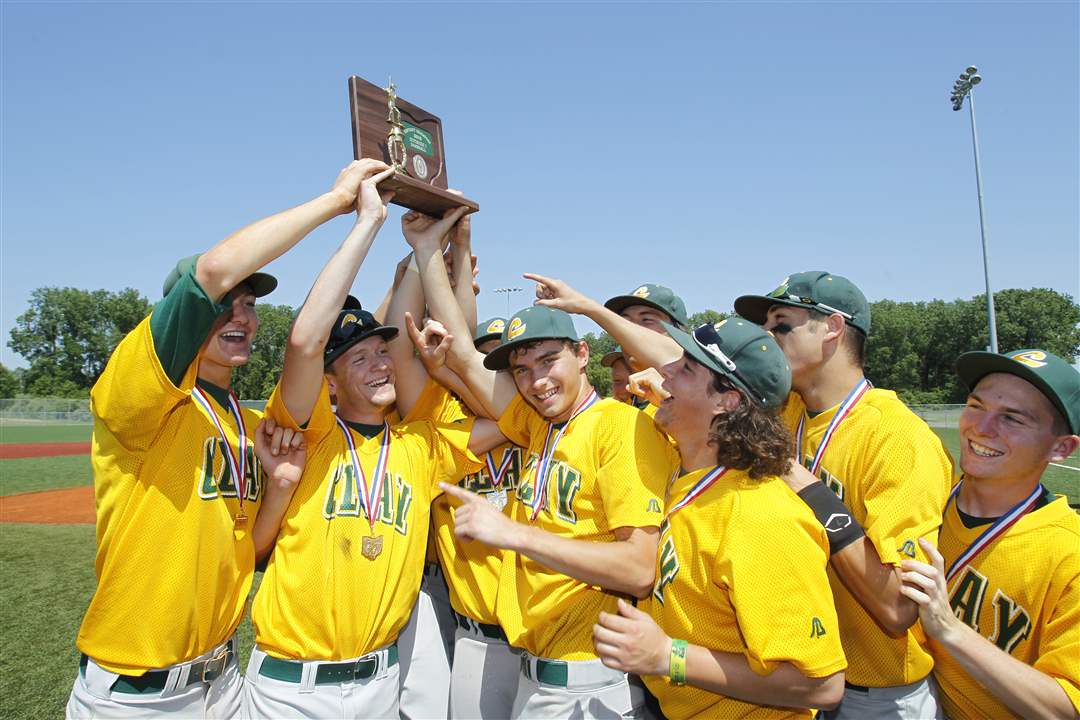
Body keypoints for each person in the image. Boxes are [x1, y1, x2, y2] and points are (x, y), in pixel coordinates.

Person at [65, 161, 375, 719]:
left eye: (250, 305)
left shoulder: (247, 424)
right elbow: (213, 268)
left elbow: (248, 554)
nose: (242, 316)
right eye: (225, 304)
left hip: (223, 681)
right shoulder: (139, 395)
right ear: (182, 316)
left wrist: (278, 491)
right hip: (139, 694)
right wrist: (334, 203)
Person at [241, 187, 496, 718]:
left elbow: (503, 417)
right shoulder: (309, 436)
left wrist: (426, 269)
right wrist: (368, 221)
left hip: (379, 683)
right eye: (357, 359)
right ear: (328, 383)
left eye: (381, 352)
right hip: (292, 689)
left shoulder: (420, 445)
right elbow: (305, 342)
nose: (380, 364)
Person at [405, 231, 673, 719]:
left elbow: (639, 567)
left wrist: (514, 535)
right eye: (522, 369)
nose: (537, 380)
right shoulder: (539, 424)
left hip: (589, 683)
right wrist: (426, 249)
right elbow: (464, 350)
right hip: (537, 671)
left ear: (583, 355)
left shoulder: (619, 425)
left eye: (550, 359)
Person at [589, 317, 848, 719]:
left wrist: (666, 656)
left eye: (686, 367)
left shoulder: (762, 517)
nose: (664, 372)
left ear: (728, 401)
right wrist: (675, 397)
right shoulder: (694, 471)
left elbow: (822, 684)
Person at [733, 271, 952, 718]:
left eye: (781, 324)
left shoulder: (898, 438)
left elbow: (896, 607)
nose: (766, 338)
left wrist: (811, 491)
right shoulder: (788, 409)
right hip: (799, 675)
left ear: (832, 327)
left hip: (875, 692)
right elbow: (701, 364)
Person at [898, 348, 1080, 720]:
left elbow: (1066, 709)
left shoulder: (1069, 552)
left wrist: (950, 629)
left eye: (1012, 419)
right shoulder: (927, 493)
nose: (980, 428)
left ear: (1062, 447)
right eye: (976, 406)